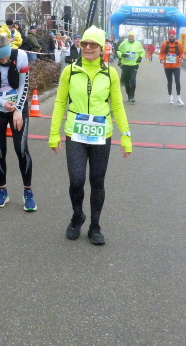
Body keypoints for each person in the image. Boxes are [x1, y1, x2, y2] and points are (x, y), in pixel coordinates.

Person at [49, 26, 132, 245]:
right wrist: (54, 133)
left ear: (101, 48)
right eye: (84, 43)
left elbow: (117, 106)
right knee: (76, 180)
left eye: (93, 44)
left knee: (97, 181)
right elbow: (60, 102)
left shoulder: (110, 73)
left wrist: (125, 135)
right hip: (75, 132)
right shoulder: (70, 71)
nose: (87, 47)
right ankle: (77, 215)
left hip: (101, 134)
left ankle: (95, 225)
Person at [0, 34, 36, 211]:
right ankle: (2, 191)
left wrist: (17, 110)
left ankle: (28, 191)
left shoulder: (21, 56)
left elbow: (24, 85)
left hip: (18, 106)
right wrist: (1, 102)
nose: (4, 60)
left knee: (21, 149)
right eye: (0, 58)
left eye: (6, 56)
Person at [116, 31, 144, 103]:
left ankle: (132, 96)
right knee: (126, 81)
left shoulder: (138, 44)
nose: (131, 37)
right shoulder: (124, 43)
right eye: (129, 36)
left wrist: (140, 57)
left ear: (134, 37)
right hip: (125, 65)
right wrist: (122, 55)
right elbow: (118, 50)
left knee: (133, 80)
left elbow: (142, 51)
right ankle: (129, 95)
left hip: (134, 65)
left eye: (132, 36)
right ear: (128, 37)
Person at [159, 29, 185, 106]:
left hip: (176, 65)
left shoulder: (178, 43)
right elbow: (161, 53)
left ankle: (178, 97)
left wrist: (182, 58)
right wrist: (161, 59)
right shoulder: (165, 44)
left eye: (173, 34)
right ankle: (170, 96)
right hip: (167, 66)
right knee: (169, 81)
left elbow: (182, 52)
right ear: (168, 35)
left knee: (177, 81)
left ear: (175, 35)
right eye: (170, 34)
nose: (171, 35)